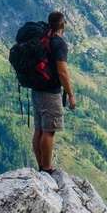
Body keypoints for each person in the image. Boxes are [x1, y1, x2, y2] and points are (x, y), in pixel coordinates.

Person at [31, 11, 76, 174]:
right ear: (63, 25)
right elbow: (62, 72)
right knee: (49, 131)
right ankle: (47, 168)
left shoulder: (44, 39)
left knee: (39, 129)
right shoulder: (58, 43)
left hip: (36, 89)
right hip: (50, 92)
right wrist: (70, 94)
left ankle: (41, 166)